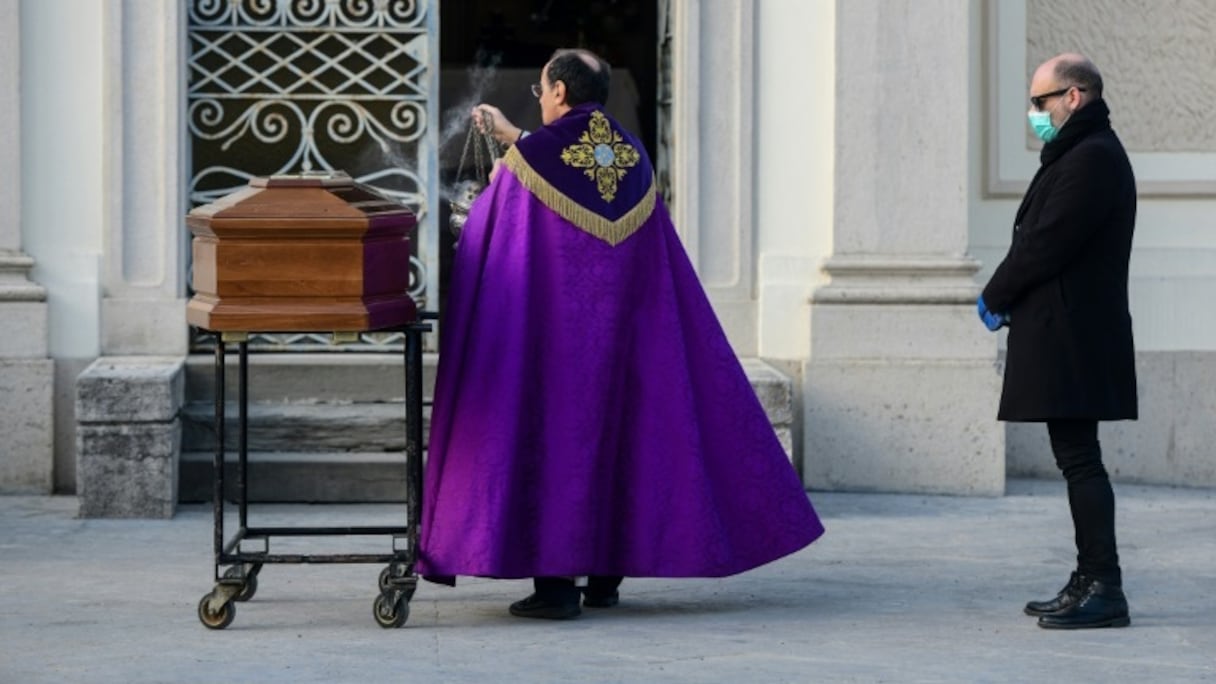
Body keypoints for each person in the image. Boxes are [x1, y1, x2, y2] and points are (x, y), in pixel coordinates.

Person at [416, 48, 825, 619]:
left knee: (554, 445)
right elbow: (589, 187)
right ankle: (604, 583)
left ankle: (556, 589)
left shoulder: (531, 160)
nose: (542, 100)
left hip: (552, 344)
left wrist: (494, 185)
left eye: (541, 90)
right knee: (618, 443)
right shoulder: (629, 154)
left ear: (558, 92)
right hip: (625, 341)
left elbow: (495, 234)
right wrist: (516, 140)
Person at [978, 53, 1136, 630]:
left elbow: (1046, 242)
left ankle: (1104, 585)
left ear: (1075, 96)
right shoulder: (1083, 154)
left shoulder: (1091, 158)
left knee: (1080, 460)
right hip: (1070, 332)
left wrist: (995, 294)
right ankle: (1091, 577)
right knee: (1077, 459)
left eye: (1041, 102)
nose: (1034, 114)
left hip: (1075, 336)